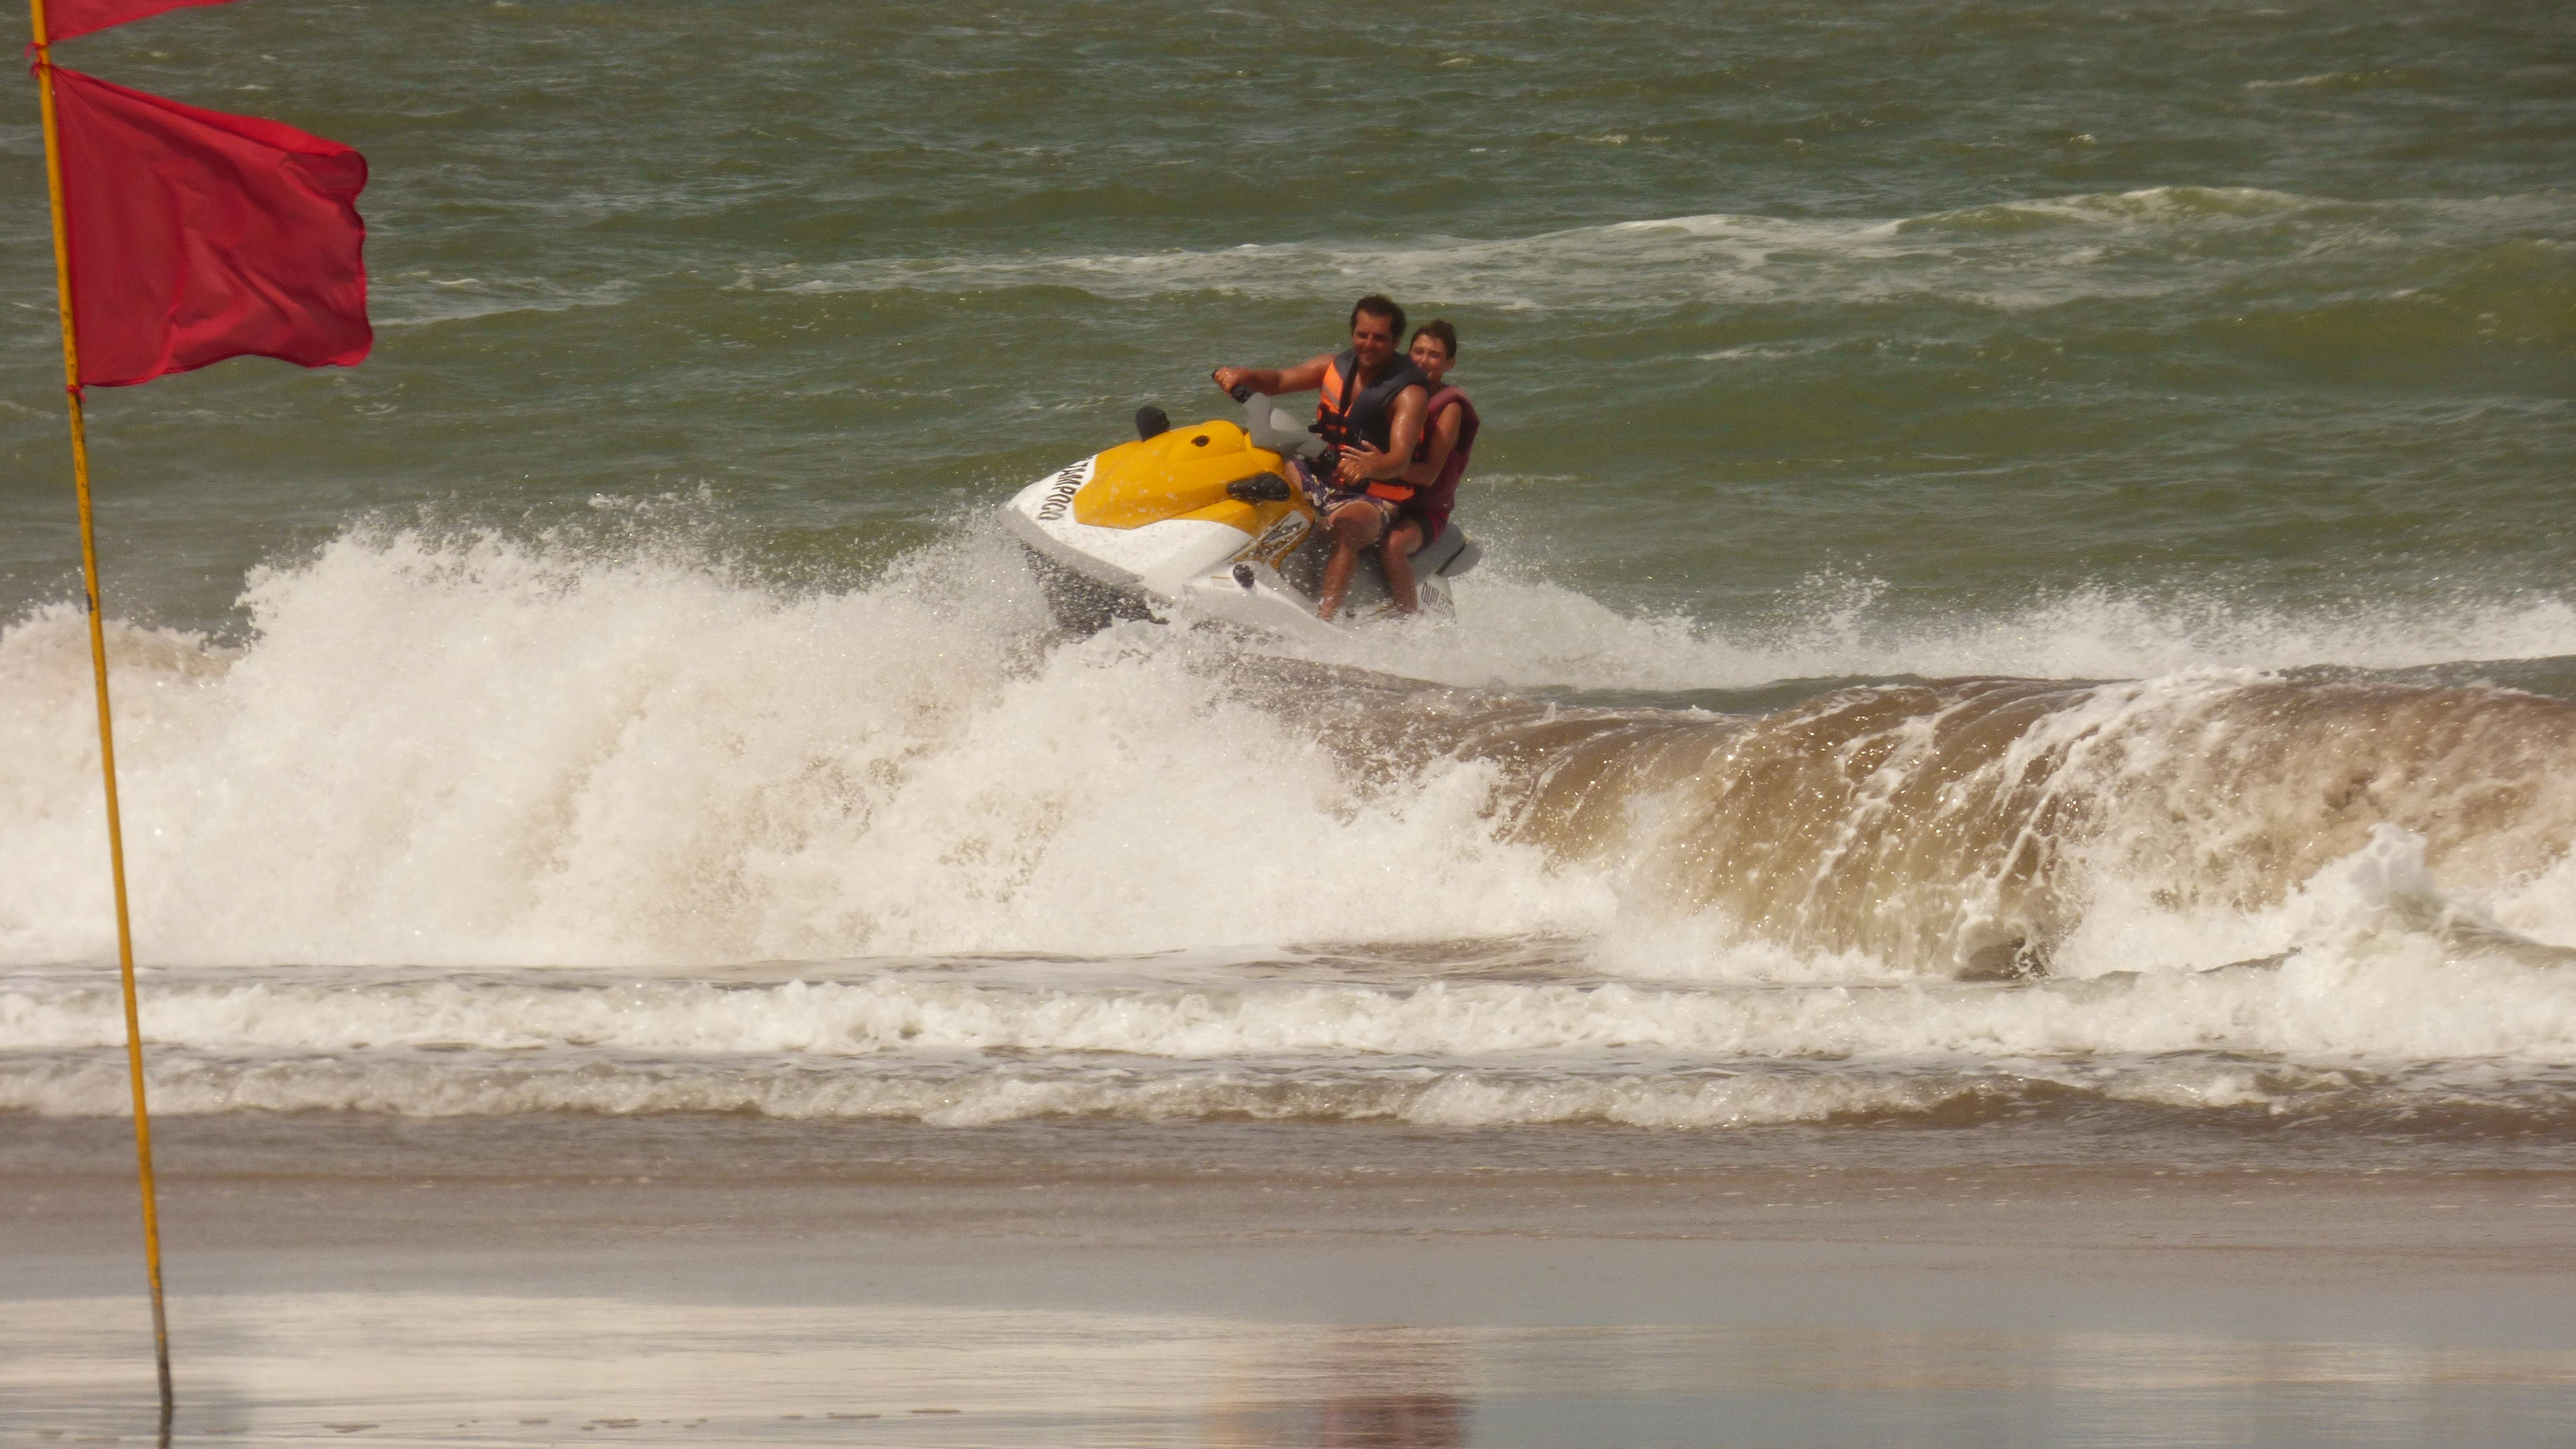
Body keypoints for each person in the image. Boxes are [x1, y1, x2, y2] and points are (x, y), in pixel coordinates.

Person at [1211, 295, 1428, 620]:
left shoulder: (1409, 393)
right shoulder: (1334, 366)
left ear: (1396, 341)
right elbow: (1281, 380)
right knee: (1261, 474)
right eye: (1362, 335)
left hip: (1371, 494)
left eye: (1379, 338)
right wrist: (1246, 376)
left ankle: (1325, 620)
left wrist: (1367, 466)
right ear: (1353, 333)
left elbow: (1400, 459)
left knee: (1348, 530)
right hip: (1320, 471)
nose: (1368, 344)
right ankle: (1231, 566)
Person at [1349, 320, 1477, 615]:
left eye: (1434, 355)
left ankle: (1408, 619)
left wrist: (1378, 465)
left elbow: (1429, 474)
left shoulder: (1449, 408)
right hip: (1385, 494)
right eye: (1418, 351)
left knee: (1393, 546)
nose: (1423, 360)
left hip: (1424, 510)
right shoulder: (1394, 392)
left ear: (1450, 364)